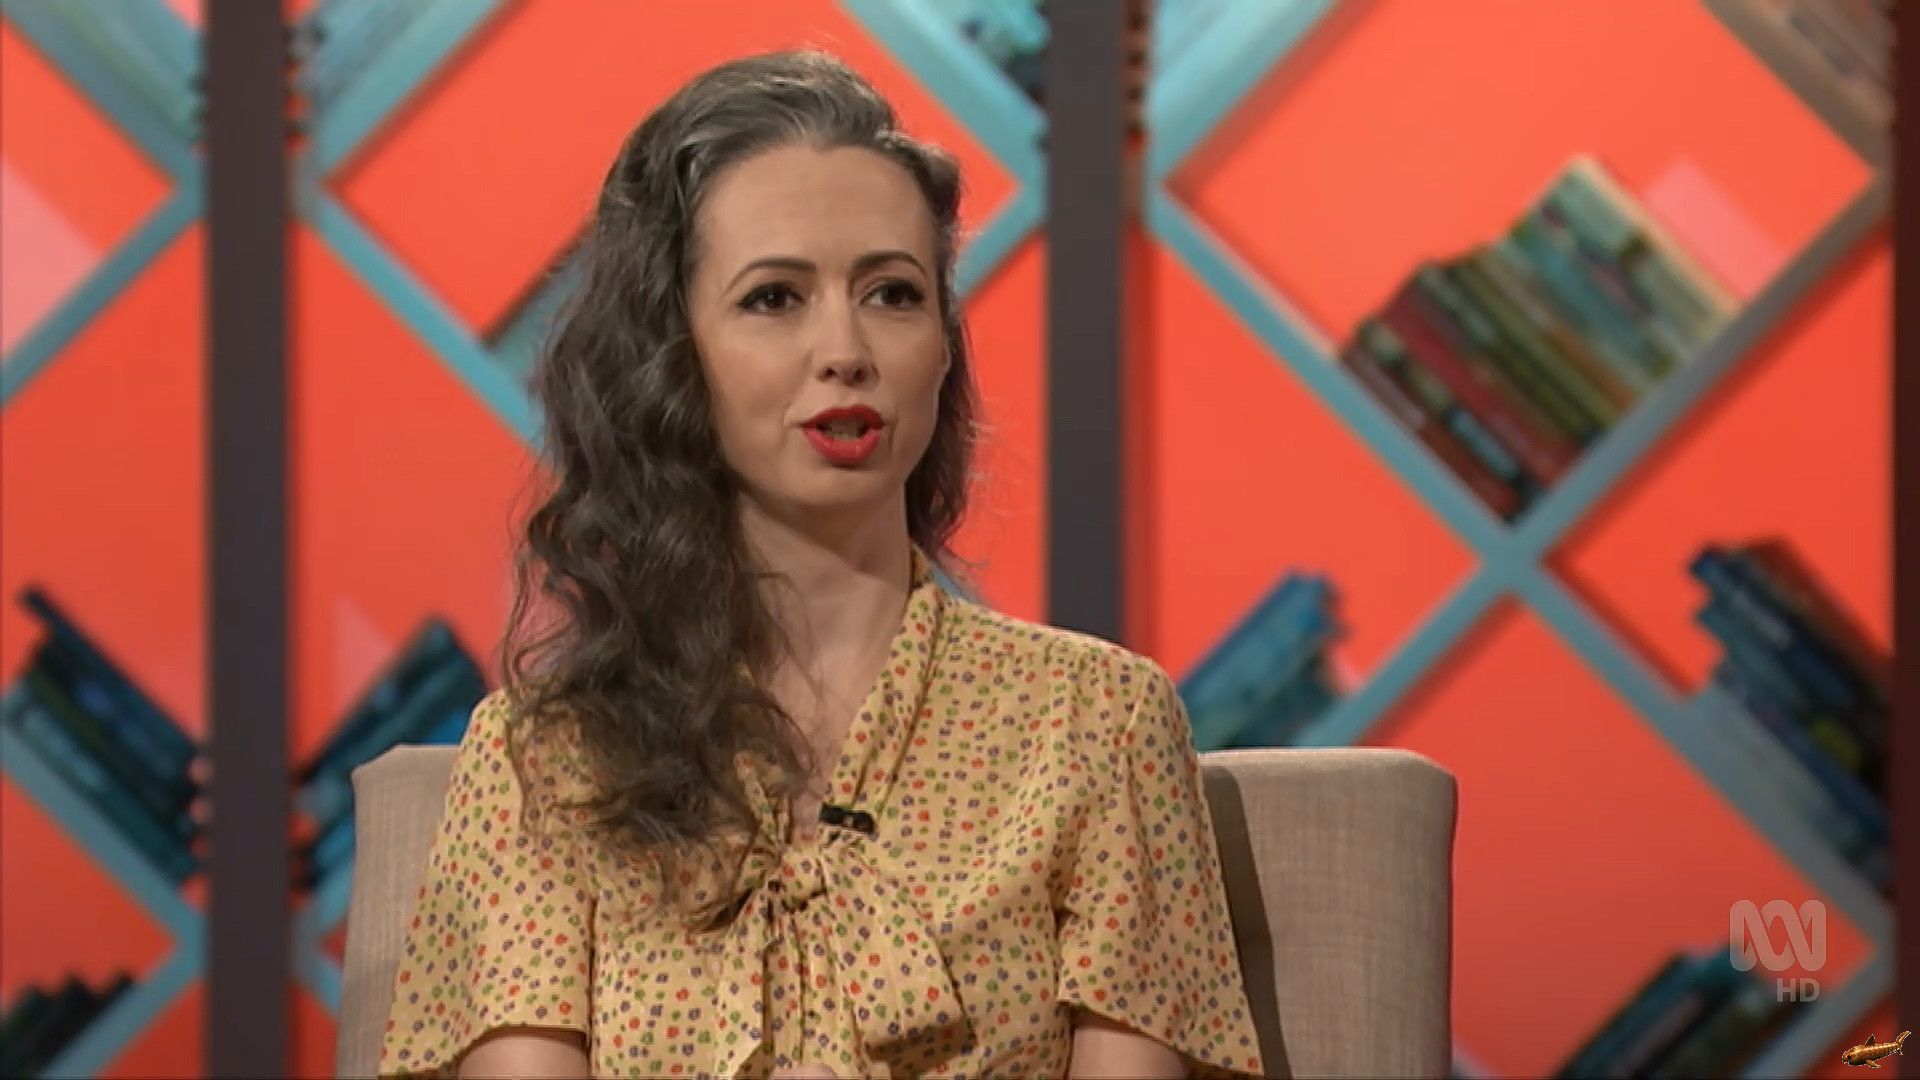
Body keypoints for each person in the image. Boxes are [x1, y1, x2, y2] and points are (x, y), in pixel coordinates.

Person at [377, 48, 1264, 1080]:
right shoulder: (544, 763)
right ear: (674, 356)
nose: (846, 350)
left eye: (892, 293)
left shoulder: (1097, 723)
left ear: (943, 345)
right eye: (774, 299)